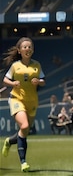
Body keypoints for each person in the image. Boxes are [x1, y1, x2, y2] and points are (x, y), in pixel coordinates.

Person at [2, 37, 46, 172]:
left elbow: (43, 81)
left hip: (32, 101)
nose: (28, 49)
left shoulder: (37, 65)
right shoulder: (15, 66)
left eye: (30, 47)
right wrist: (13, 83)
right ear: (20, 51)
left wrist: (38, 81)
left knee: (24, 132)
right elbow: (5, 80)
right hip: (17, 99)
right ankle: (23, 162)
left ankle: (9, 141)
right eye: (25, 47)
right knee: (25, 125)